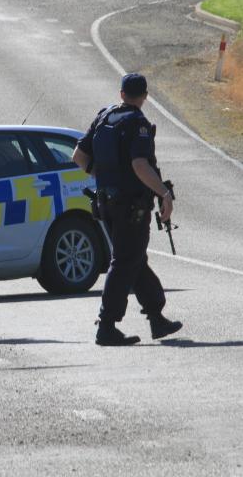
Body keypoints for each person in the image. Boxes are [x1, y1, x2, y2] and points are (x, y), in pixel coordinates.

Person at [72, 73, 183, 346]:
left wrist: (106, 177)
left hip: (106, 202)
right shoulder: (138, 124)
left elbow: (79, 156)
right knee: (124, 261)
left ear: (121, 94)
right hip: (131, 205)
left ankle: (157, 317)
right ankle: (106, 325)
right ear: (145, 96)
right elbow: (140, 165)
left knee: (133, 258)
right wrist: (164, 194)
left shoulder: (104, 116)